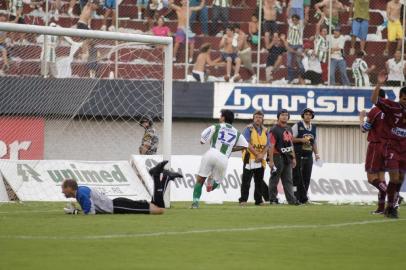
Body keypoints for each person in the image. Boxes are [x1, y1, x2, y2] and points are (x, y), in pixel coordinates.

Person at [61, 160, 183, 215]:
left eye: (63, 188)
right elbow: (92, 207)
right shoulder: (81, 190)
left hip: (117, 206)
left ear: (70, 188)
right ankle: (164, 179)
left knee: (159, 210)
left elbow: (91, 212)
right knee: (157, 206)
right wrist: (77, 211)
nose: (62, 191)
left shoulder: (81, 194)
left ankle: (157, 176)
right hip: (117, 204)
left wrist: (76, 213)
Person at [191, 109, 249, 208]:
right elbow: (245, 146)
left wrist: (203, 140)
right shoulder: (237, 132)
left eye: (220, 116)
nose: (219, 118)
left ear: (223, 118)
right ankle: (212, 184)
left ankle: (195, 203)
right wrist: (230, 148)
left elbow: (203, 137)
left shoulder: (216, 126)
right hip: (223, 158)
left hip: (211, 153)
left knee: (200, 180)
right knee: (216, 184)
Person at [371, 71, 406, 218]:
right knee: (394, 178)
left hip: (404, 149)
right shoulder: (393, 106)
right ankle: (390, 207)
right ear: (400, 97)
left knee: (401, 179)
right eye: (404, 99)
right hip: (391, 146)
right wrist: (379, 84)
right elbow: (374, 100)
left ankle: (391, 206)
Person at [359, 89, 388, 214]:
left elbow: (364, 129)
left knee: (371, 178)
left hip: (376, 146)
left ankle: (392, 193)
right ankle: (381, 208)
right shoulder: (390, 110)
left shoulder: (375, 110)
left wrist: (361, 118)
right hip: (387, 146)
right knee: (381, 178)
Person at [267, 109, 299, 205]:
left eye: (286, 115)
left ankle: (292, 200)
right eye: (282, 115)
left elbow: (291, 144)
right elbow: (271, 146)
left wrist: (293, 158)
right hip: (277, 156)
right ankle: (273, 199)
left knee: (288, 180)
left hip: (287, 157)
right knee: (275, 179)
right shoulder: (274, 129)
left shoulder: (289, 129)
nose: (285, 116)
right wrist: (271, 161)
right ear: (278, 117)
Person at [239, 111, 270, 206]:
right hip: (249, 157)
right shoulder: (249, 129)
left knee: (259, 180)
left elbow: (268, 145)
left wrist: (261, 155)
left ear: (262, 119)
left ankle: (259, 200)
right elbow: (247, 143)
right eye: (256, 117)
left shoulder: (265, 130)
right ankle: (243, 200)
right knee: (246, 180)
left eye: (260, 117)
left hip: (260, 159)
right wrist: (257, 154)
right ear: (253, 118)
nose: (258, 119)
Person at [292, 108, 319, 204]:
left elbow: (314, 142)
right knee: (297, 177)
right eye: (306, 114)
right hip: (298, 154)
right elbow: (290, 139)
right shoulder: (297, 125)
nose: (308, 116)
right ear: (303, 115)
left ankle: (304, 198)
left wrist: (317, 154)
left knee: (307, 177)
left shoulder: (314, 127)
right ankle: (295, 197)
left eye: (310, 114)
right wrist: (301, 140)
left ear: (312, 116)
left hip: (309, 155)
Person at [286, 14, 304, 84]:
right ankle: (291, 77)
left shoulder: (301, 26)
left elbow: (304, 20)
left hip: (299, 45)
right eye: (293, 20)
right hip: (290, 45)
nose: (294, 21)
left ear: (298, 20)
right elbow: (287, 16)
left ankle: (302, 76)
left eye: (295, 20)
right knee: (289, 62)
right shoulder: (290, 24)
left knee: (298, 61)